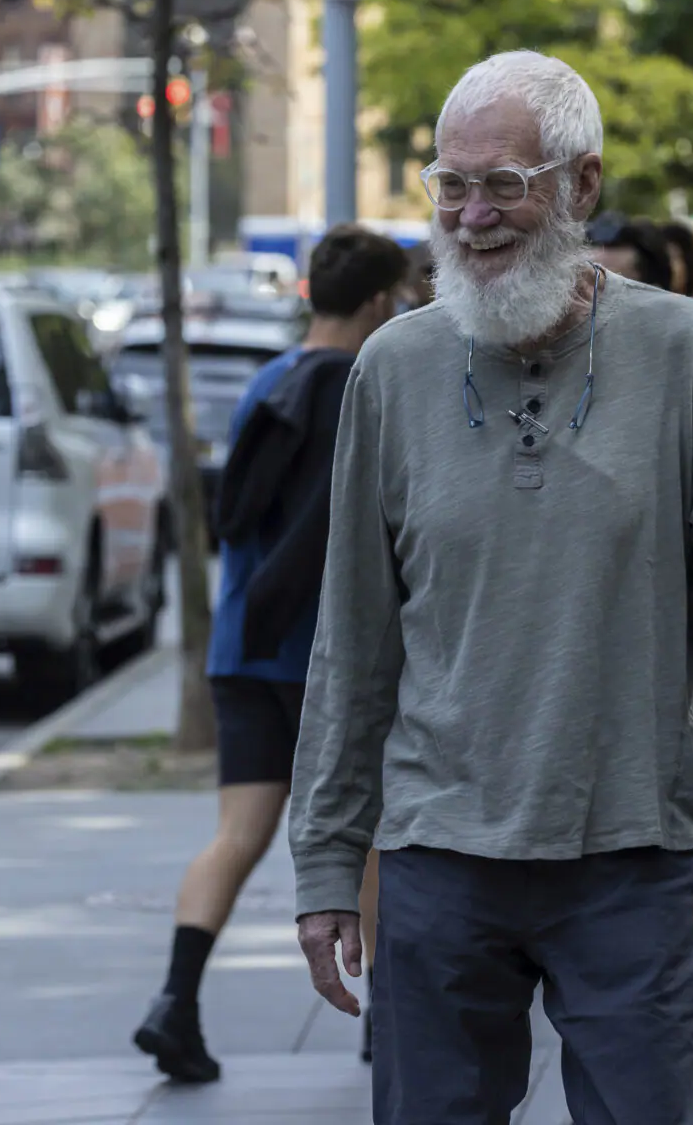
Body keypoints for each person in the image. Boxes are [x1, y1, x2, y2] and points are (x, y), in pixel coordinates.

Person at [289, 51, 693, 1125]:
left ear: (579, 185)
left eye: (504, 185)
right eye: (451, 184)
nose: (472, 215)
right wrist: (327, 858)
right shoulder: (391, 369)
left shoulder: (688, 354)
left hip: (634, 849)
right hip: (439, 856)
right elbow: (353, 642)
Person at [135, 223, 413, 1083]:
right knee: (364, 831)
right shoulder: (361, 384)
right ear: (375, 302)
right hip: (317, 655)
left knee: (237, 835)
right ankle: (389, 1027)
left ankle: (175, 1002)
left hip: (239, 648)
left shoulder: (268, 380)